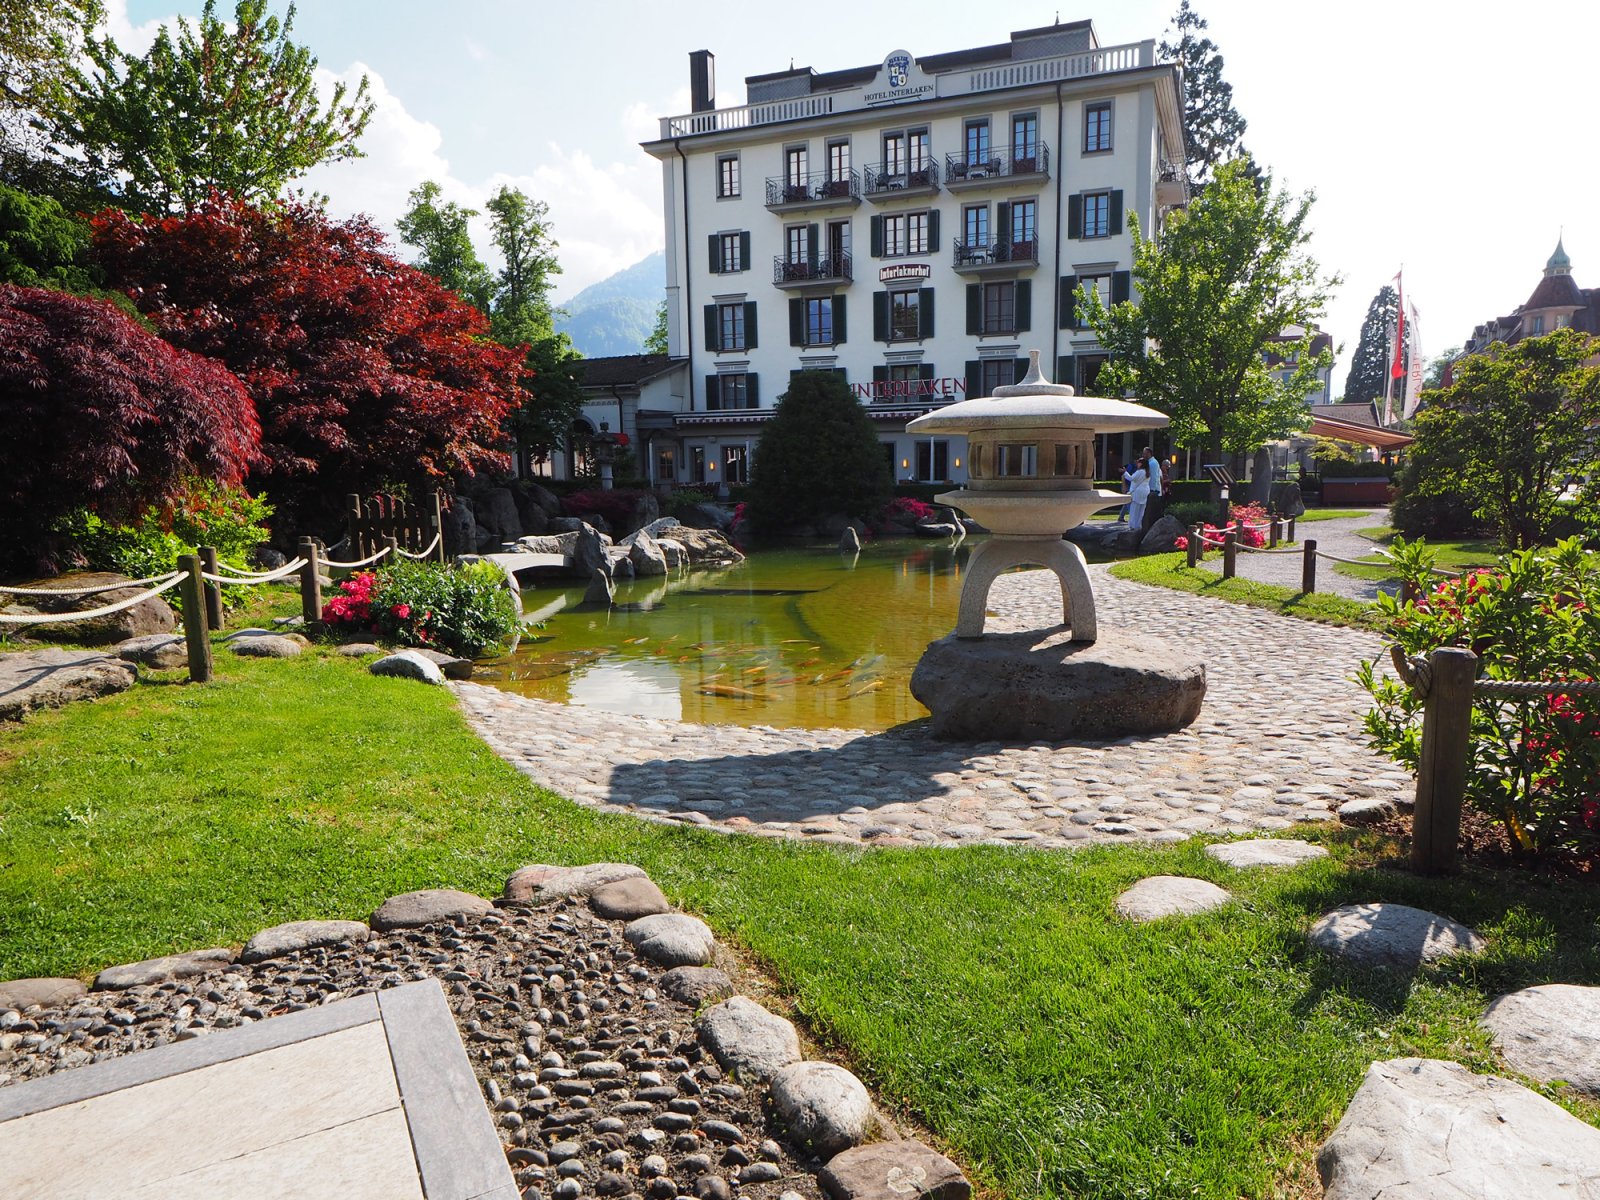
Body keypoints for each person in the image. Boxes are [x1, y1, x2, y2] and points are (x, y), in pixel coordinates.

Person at [1141, 446, 1164, 532]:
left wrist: (1153, 489)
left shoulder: (1152, 463)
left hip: (1153, 490)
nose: (1143, 455)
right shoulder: (1152, 462)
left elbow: (1154, 477)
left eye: (1145, 453)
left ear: (1149, 453)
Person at [1126, 457, 1150, 531]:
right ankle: (1138, 525)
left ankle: (1132, 525)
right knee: (1141, 510)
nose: (1137, 464)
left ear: (1142, 464)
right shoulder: (1147, 472)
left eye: (1139, 462)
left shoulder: (1139, 472)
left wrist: (1125, 472)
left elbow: (1131, 478)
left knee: (1134, 509)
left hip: (1138, 492)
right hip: (1145, 491)